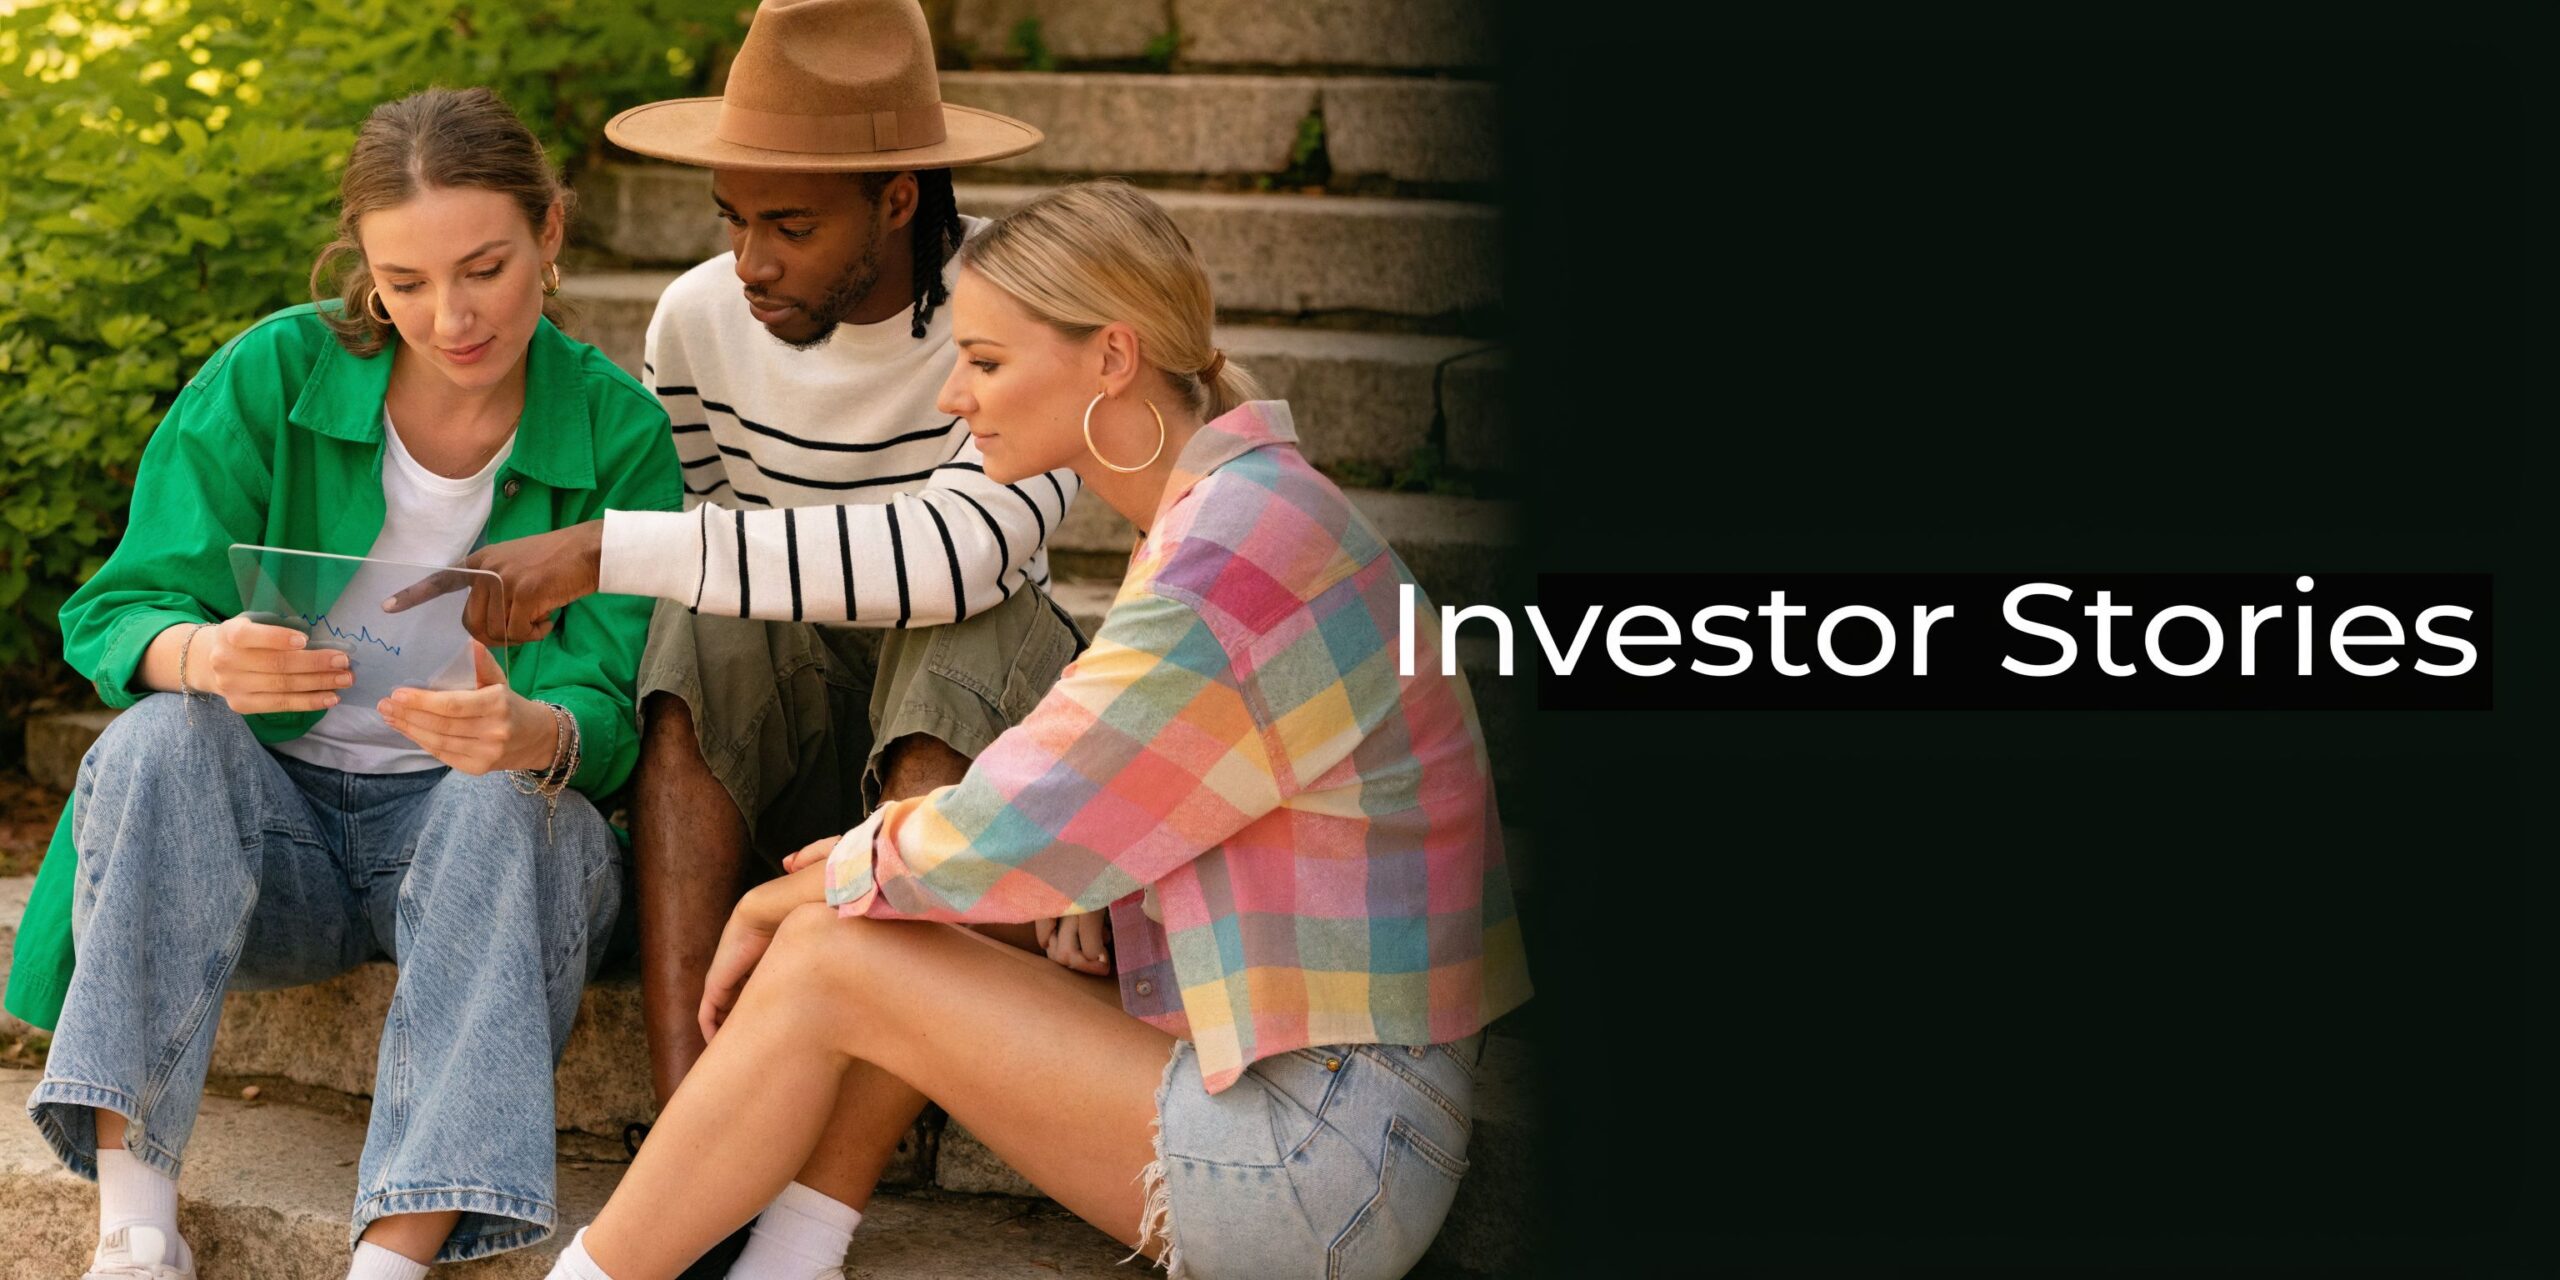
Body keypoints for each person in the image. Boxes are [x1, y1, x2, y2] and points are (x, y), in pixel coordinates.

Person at [539, 179, 1534, 1280]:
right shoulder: (1242, 511)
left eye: (988, 360)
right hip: (1317, 1094)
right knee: (888, 914)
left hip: (1325, 1154)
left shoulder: (1233, 555)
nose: (956, 395)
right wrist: (1079, 893)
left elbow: (1020, 822)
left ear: (1111, 359)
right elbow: (1076, 808)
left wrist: (785, 893)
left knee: (837, 942)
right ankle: (790, 1256)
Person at [5, 87, 680, 1279]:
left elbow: (617, 716)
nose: (451, 315)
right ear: (362, 266)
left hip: (479, 857)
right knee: (164, 735)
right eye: (405, 282)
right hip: (270, 847)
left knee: (509, 798)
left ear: (554, 232)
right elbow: (117, 611)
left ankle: (394, 1255)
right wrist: (205, 654)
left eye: (485, 267)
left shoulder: (617, 428)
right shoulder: (274, 371)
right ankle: (135, 1225)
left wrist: (533, 729)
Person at [429, 9, 1089, 1215]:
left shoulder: (1023, 302)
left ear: (896, 200)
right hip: (786, 746)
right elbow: (699, 555)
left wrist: (600, 546)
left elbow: (954, 559)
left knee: (967, 620)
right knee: (694, 618)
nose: (750, 262)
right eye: (731, 218)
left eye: (790, 226)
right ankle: (696, 1132)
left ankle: (829, 1154)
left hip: (969, 756)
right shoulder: (697, 320)